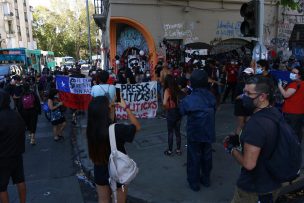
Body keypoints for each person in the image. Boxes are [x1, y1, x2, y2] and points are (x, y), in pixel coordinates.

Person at [226, 76, 281, 203]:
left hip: (254, 189)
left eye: (248, 93)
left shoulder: (255, 125)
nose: (243, 97)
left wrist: (230, 148)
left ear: (262, 97)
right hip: (272, 182)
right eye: (244, 92)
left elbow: (249, 164)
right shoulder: (274, 113)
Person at [86, 96, 141, 203]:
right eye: (111, 106)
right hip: (119, 171)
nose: (113, 107)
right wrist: (126, 108)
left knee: (103, 200)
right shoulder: (117, 129)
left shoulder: (90, 129)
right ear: (107, 111)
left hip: (99, 170)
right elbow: (137, 127)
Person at [179, 69, 216, 191]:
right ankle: (206, 179)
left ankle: (194, 183)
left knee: (194, 158)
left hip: (194, 133)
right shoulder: (211, 96)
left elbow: (181, 111)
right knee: (207, 157)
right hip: (208, 132)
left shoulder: (189, 99)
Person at [0, 89, 26, 203]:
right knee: (20, 180)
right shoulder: (15, 114)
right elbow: (22, 131)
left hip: (2, 157)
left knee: (2, 187)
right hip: (17, 154)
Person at [278, 66, 304, 142]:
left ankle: (291, 148)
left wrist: (280, 86)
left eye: (294, 73)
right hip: (300, 112)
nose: (291, 74)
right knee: (297, 131)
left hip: (290, 112)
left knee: (290, 132)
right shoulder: (302, 83)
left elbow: (286, 95)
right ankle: (297, 146)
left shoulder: (294, 84)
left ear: (299, 75)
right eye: (291, 72)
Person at [163, 75, 183, 156]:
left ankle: (170, 150)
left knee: (170, 132)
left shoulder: (167, 90)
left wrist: (166, 108)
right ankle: (178, 150)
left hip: (171, 112)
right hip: (178, 112)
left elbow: (164, 103)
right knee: (178, 132)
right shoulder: (177, 89)